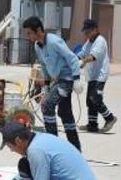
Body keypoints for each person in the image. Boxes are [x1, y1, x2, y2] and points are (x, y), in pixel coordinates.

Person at [23, 16, 82, 151]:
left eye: (29, 33)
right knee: (64, 112)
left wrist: (77, 79)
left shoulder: (54, 41)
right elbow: (44, 66)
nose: (28, 36)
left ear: (38, 30)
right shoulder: (37, 46)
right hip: (56, 81)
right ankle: (76, 149)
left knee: (46, 106)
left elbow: (72, 58)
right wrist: (47, 86)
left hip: (66, 80)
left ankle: (52, 146)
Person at [77, 19, 117, 133]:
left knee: (95, 99)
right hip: (92, 76)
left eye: (88, 32)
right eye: (85, 32)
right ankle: (92, 124)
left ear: (95, 29)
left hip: (100, 75)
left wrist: (83, 61)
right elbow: (81, 54)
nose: (86, 34)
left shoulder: (100, 41)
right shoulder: (89, 42)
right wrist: (73, 60)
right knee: (90, 101)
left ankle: (110, 118)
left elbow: (92, 57)